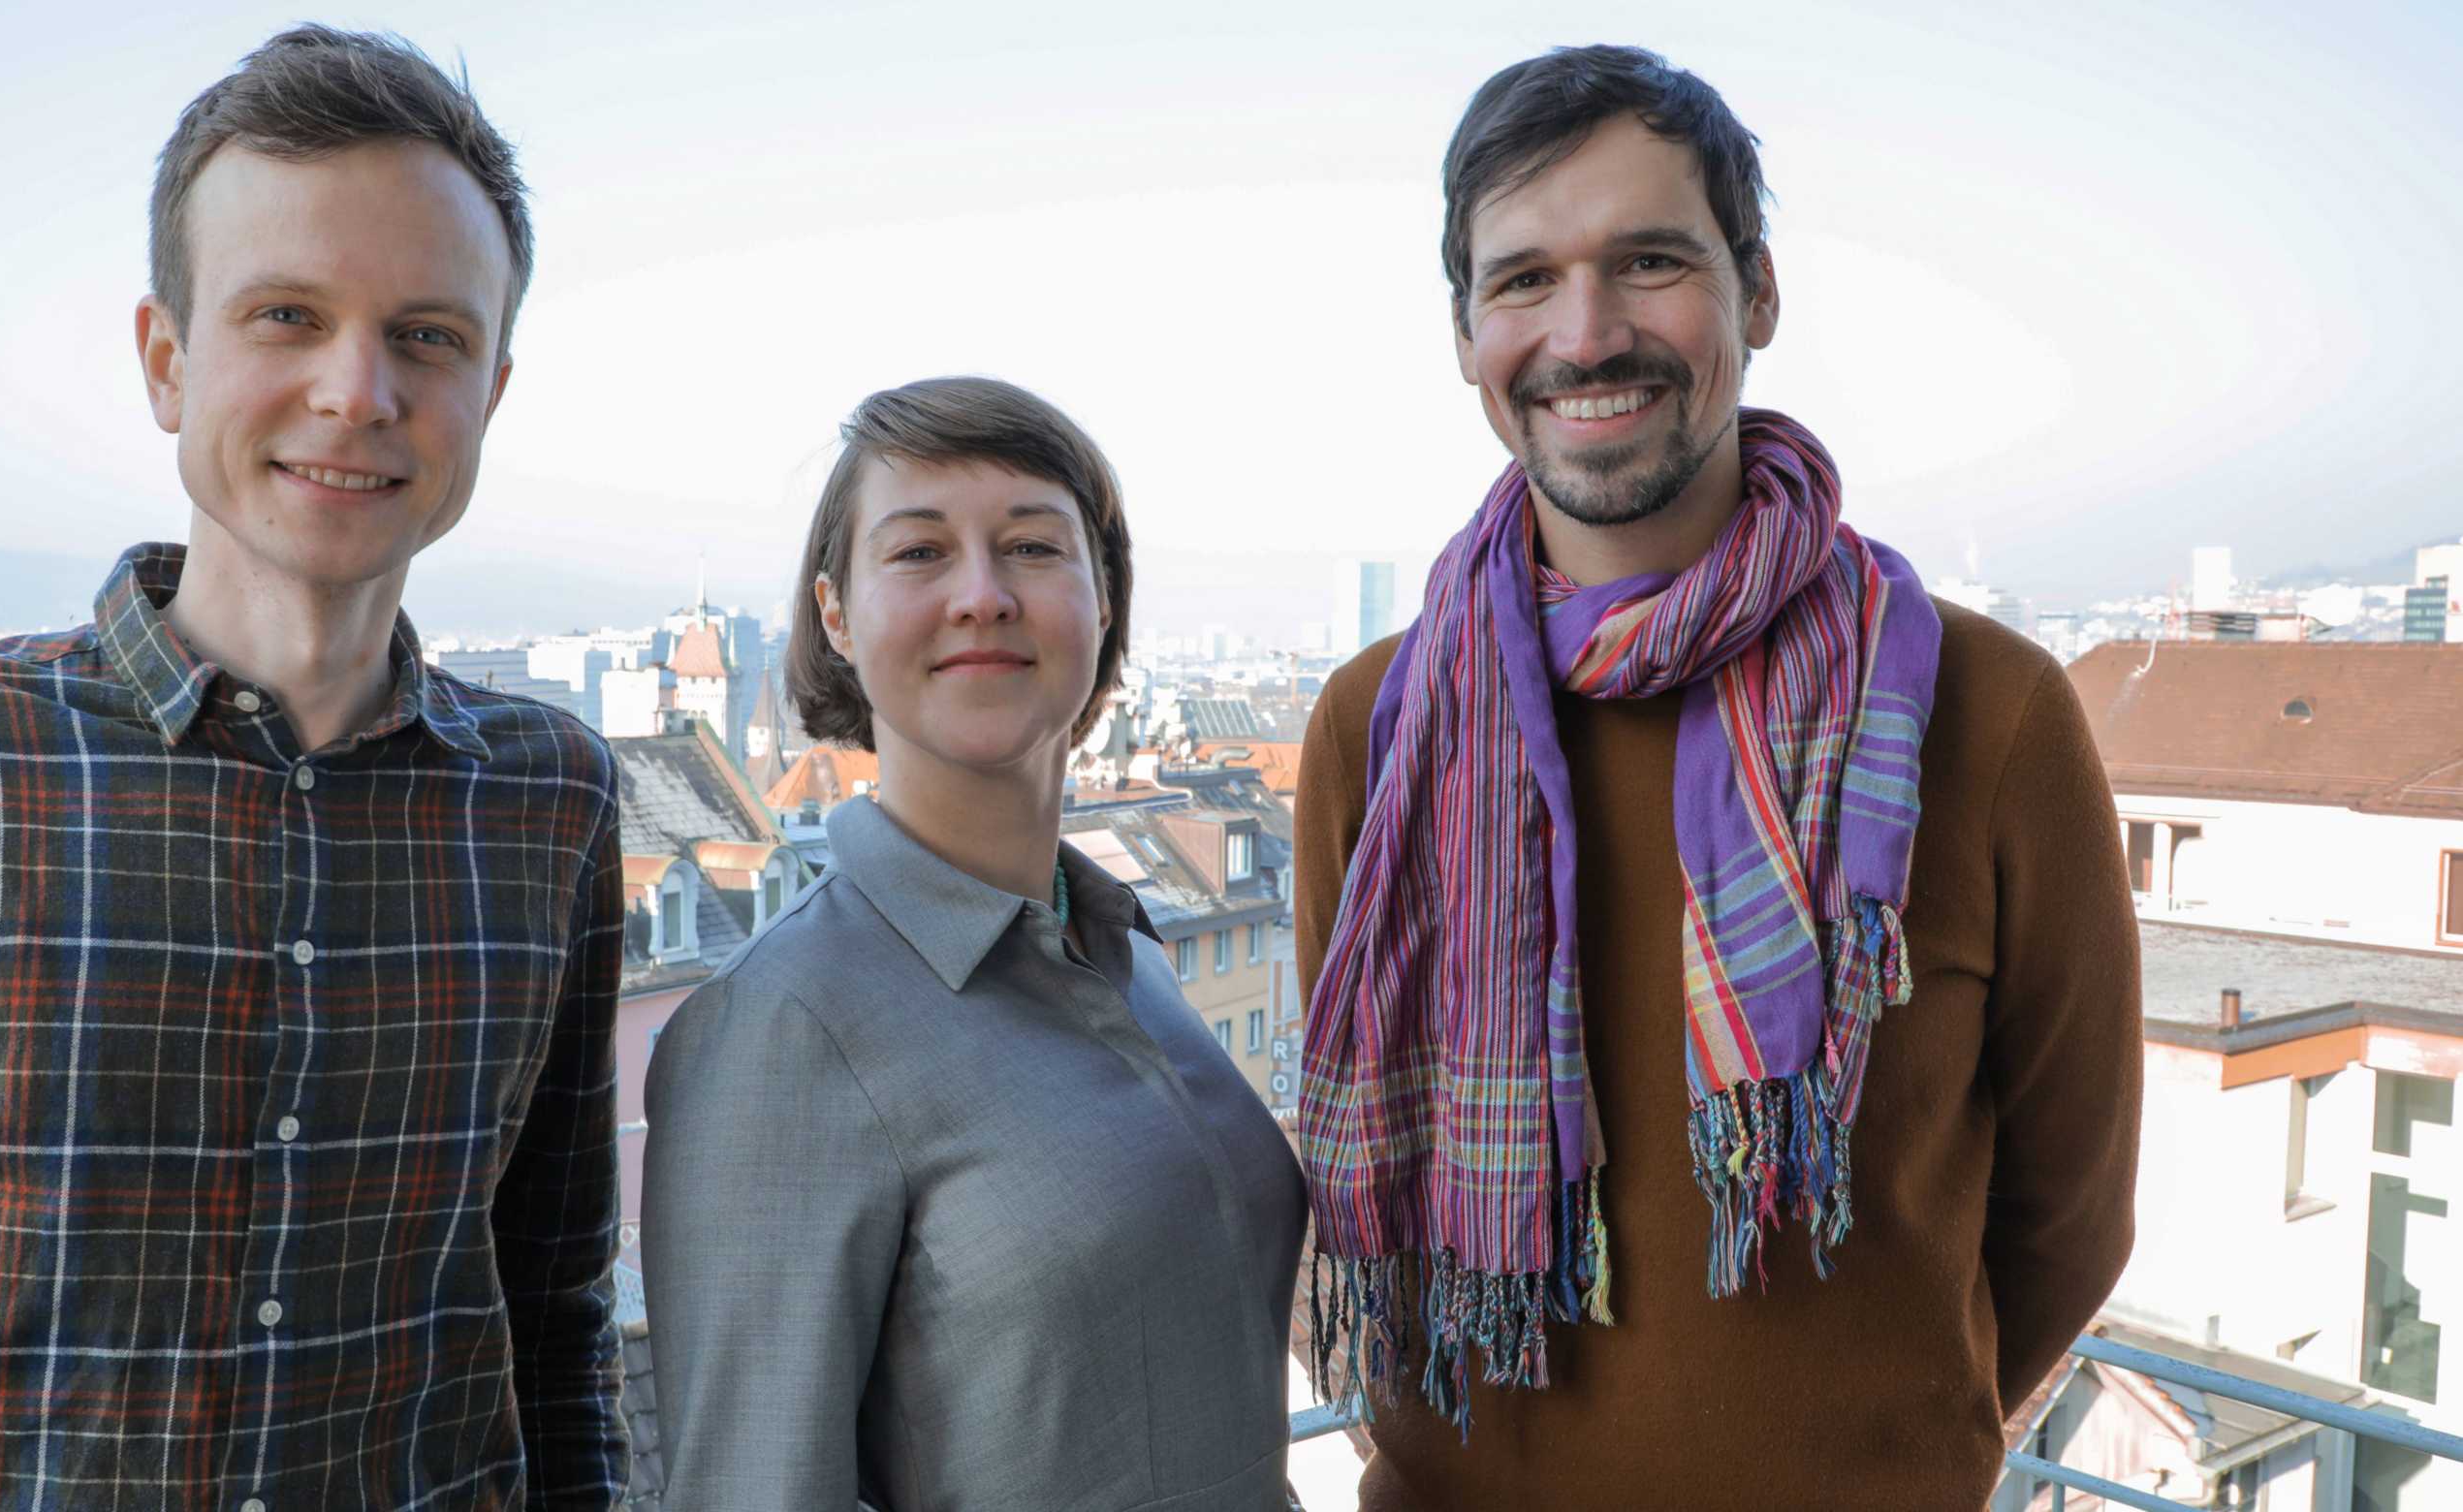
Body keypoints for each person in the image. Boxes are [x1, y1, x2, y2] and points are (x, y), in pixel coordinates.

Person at [0, 26, 627, 1509]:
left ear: (490, 394)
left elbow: (553, 1317)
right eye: (286, 314)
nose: (359, 390)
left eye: (428, 335)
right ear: (166, 360)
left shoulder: (554, 799)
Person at [1294, 45, 2141, 1511]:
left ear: (1756, 293)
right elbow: (1343, 1175)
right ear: (1464, 332)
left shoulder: (1982, 713)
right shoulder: (1376, 723)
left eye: (1649, 261)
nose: (1588, 331)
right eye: (1523, 280)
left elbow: (2068, 1218)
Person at [642, 377, 1307, 1509]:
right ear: (837, 616)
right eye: (917, 553)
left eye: (1033, 547)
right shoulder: (781, 1027)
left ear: (1103, 605)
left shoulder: (1126, 955)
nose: (982, 595)